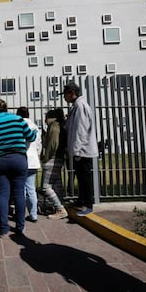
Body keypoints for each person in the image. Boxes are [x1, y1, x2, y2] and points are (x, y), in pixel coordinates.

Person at [0, 99, 37, 238]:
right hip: (19, 159)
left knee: (3, 193)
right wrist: (34, 133)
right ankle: (20, 227)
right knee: (18, 193)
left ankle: (4, 229)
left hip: (0, 160)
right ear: (7, 108)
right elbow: (30, 136)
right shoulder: (18, 119)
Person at [62, 82, 99, 216]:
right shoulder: (76, 106)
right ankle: (81, 200)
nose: (64, 98)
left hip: (83, 150)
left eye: (65, 95)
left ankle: (88, 204)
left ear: (72, 93)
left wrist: (77, 151)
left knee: (85, 177)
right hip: (80, 149)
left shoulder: (81, 106)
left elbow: (81, 131)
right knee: (80, 176)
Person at [41, 109, 68, 220]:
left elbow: (53, 143)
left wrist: (46, 158)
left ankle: (60, 208)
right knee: (57, 185)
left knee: (45, 187)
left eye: (46, 117)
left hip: (52, 159)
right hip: (59, 158)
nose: (44, 120)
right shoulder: (60, 125)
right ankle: (59, 207)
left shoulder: (54, 126)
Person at [16, 106, 42, 223]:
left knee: (20, 190)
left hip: (21, 160)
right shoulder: (36, 128)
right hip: (33, 160)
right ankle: (33, 215)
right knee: (31, 189)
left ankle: (20, 214)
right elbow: (39, 146)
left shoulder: (18, 127)